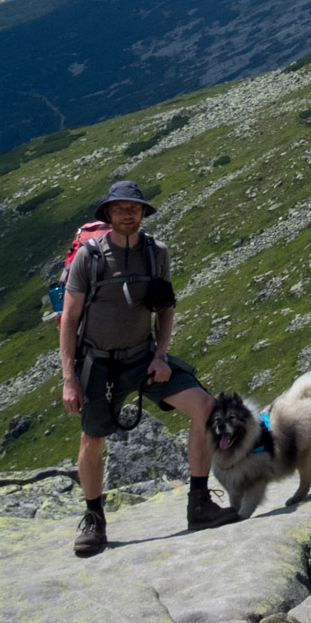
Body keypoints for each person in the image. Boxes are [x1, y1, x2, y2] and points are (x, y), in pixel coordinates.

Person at [59, 180, 236, 557]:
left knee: (205, 407)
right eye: (120, 208)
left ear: (142, 213)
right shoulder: (88, 258)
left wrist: (161, 354)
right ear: (107, 213)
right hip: (98, 364)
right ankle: (94, 519)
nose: (127, 213)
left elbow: (165, 305)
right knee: (92, 439)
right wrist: (69, 379)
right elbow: (70, 319)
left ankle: (199, 503)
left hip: (143, 359)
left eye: (134, 208)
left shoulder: (156, 253)